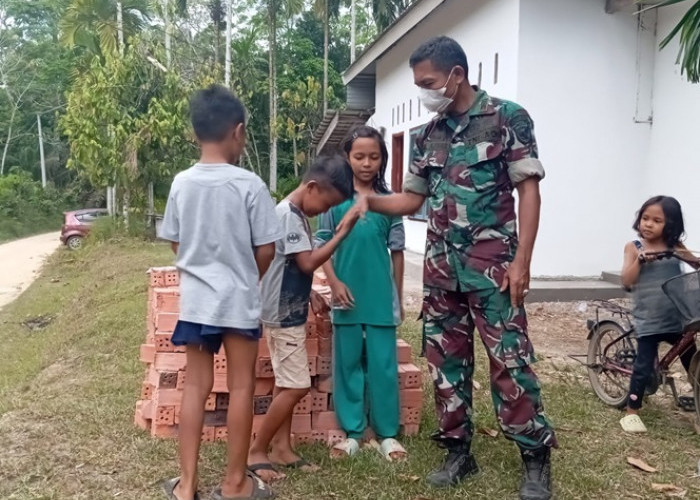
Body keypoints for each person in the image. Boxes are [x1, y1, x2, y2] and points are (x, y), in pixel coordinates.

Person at [346, 36, 556, 500]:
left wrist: (523, 260)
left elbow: (529, 190)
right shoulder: (428, 134)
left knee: (510, 361)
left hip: (494, 267)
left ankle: (535, 458)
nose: (423, 90)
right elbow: (412, 199)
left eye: (427, 82)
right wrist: (370, 201)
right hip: (442, 270)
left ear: (455, 75)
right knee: (446, 363)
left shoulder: (507, 118)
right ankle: (458, 451)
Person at [159, 85, 281, 500]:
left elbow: (176, 241)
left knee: (196, 386)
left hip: (196, 302)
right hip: (238, 301)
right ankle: (234, 484)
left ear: (196, 133)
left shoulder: (181, 183)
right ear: (239, 131)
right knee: (242, 386)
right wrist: (247, 274)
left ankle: (187, 485)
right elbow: (266, 248)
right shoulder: (250, 185)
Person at [247, 155, 361, 482]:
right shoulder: (288, 216)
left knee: (287, 382)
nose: (324, 211)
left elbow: (290, 265)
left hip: (289, 309)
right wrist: (341, 234)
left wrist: (309, 293)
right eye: (326, 203)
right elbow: (308, 263)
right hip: (281, 315)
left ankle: (282, 448)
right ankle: (258, 451)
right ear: (312, 187)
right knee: (296, 385)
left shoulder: (294, 214)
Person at [315, 125, 407, 460]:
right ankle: (353, 431)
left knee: (383, 366)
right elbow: (321, 243)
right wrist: (334, 283)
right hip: (346, 298)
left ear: (382, 160)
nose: (367, 163)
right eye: (359, 156)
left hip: (381, 298)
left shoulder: (389, 203)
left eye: (374, 156)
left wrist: (397, 297)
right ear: (347, 158)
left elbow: (397, 252)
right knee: (348, 364)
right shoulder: (333, 200)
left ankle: (387, 435)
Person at [619, 196, 699, 433]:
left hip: (677, 319)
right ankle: (632, 411)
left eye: (657, 220)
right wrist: (641, 261)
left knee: (692, 363)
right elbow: (627, 280)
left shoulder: (675, 248)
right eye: (645, 218)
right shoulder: (634, 247)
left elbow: (694, 263)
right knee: (643, 367)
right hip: (650, 320)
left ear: (671, 225)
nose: (648, 224)